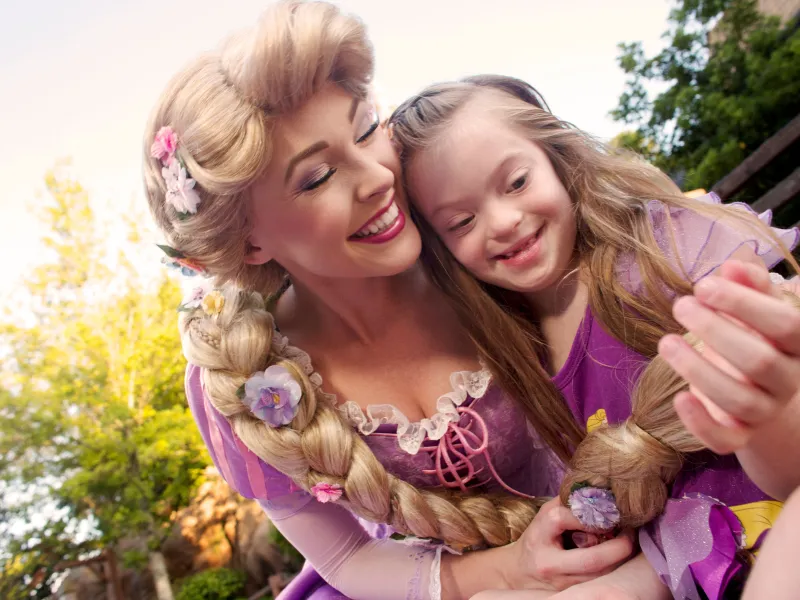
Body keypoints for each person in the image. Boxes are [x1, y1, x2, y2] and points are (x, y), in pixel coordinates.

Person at [142, 3, 637, 599]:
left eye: (367, 128)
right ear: (248, 240)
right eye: (318, 177)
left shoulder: (478, 227)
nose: (376, 177)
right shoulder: (242, 386)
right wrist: (510, 571)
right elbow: (348, 555)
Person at [389, 75, 800, 599]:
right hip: (668, 564)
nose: (505, 221)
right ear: (442, 252)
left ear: (557, 160)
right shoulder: (517, 367)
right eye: (463, 221)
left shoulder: (659, 254)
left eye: (516, 183)